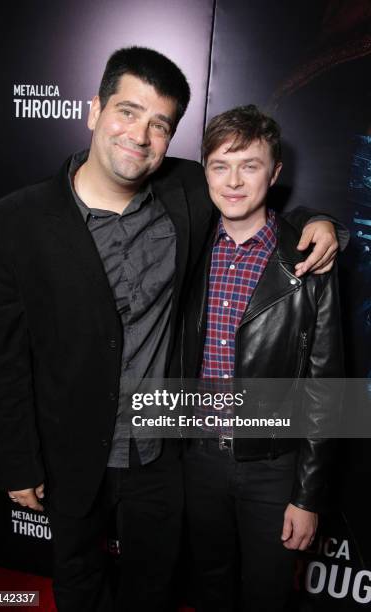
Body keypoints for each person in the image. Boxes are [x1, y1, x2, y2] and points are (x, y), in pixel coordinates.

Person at [0, 47, 342, 612]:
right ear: (94, 110)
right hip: (69, 454)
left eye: (159, 124)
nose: (139, 135)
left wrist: (321, 223)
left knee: (155, 587)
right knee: (78, 585)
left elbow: (251, 192)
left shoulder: (186, 192)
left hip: (162, 454)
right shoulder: (12, 222)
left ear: (170, 138)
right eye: (127, 111)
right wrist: (15, 461)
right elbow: (0, 359)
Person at [180, 105, 344, 612]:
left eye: (249, 165)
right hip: (196, 460)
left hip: (274, 468)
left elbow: (326, 388)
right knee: (208, 590)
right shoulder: (185, 246)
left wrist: (307, 495)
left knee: (267, 596)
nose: (232, 181)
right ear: (203, 170)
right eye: (220, 165)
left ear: (274, 174)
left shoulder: (308, 260)